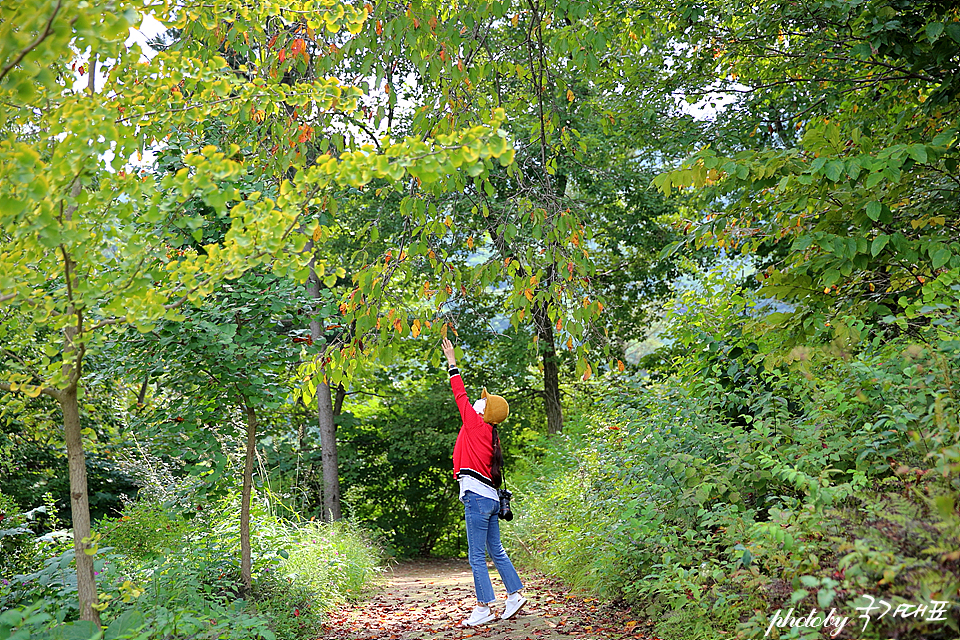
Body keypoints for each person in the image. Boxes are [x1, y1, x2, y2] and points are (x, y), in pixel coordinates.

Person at [441, 337, 526, 627]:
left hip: (477, 499)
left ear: (482, 412)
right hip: (489, 497)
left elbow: (459, 394)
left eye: (484, 401)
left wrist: (452, 362)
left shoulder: (475, 424)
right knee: (495, 550)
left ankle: (484, 606)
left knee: (476, 555)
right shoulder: (490, 434)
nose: (480, 399)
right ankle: (514, 595)